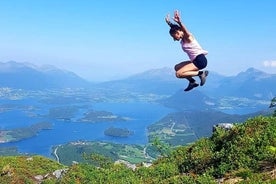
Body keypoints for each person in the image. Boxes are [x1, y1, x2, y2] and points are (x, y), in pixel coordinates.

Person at [165, 10, 209, 91]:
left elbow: (185, 31)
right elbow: (175, 29)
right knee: (177, 67)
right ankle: (192, 82)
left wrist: (180, 22)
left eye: (174, 37)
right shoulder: (182, 37)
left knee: (178, 74)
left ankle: (201, 73)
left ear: (178, 33)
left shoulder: (188, 37)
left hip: (200, 61)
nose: (174, 39)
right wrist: (169, 23)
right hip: (195, 61)